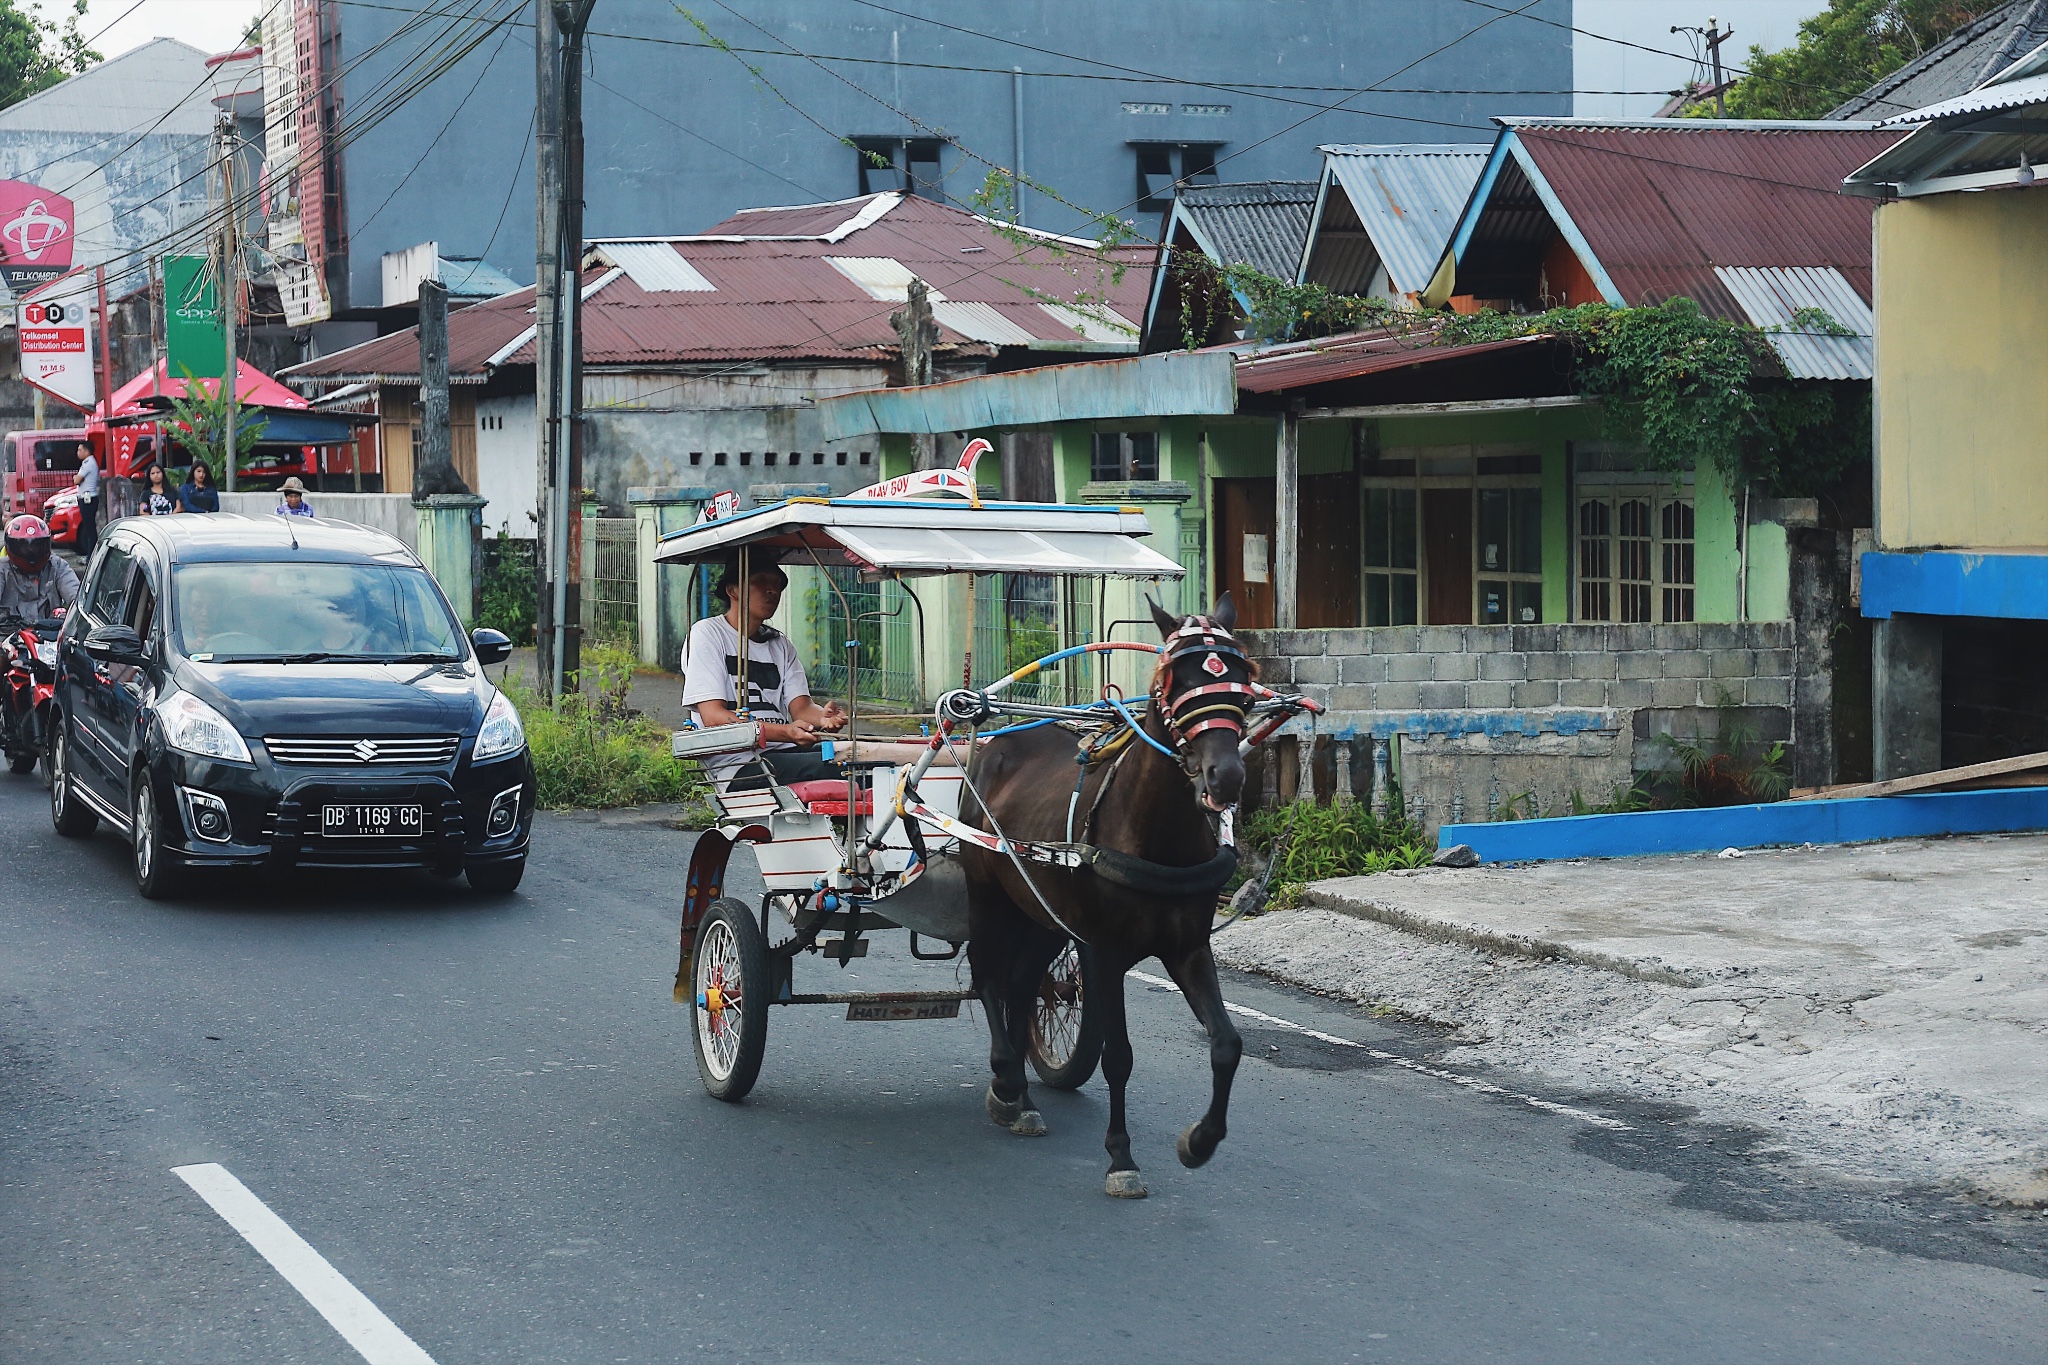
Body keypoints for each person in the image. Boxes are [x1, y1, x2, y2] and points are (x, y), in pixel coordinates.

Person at [681, 559, 847, 790]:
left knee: (861, 755)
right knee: (839, 766)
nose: (772, 590)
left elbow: (801, 708)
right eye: (760, 582)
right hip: (739, 766)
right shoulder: (707, 634)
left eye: (777, 583)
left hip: (787, 754)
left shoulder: (781, 644)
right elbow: (714, 717)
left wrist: (823, 719)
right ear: (732, 590)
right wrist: (786, 732)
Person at [0, 515, 79, 619]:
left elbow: (77, 596)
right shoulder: (2, 568)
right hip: (8, 633)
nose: (31, 552)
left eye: (37, 546)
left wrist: (75, 611)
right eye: (24, 547)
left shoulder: (57, 566)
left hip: (51, 632)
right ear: (10, 545)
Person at [70, 442, 99, 558]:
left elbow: (77, 480)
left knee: (89, 529)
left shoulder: (88, 463)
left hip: (88, 499)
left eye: (80, 450)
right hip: (86, 498)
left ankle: (91, 555)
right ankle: (91, 554)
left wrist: (76, 478)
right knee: (88, 528)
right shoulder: (87, 463)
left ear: (86, 451)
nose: (78, 452)